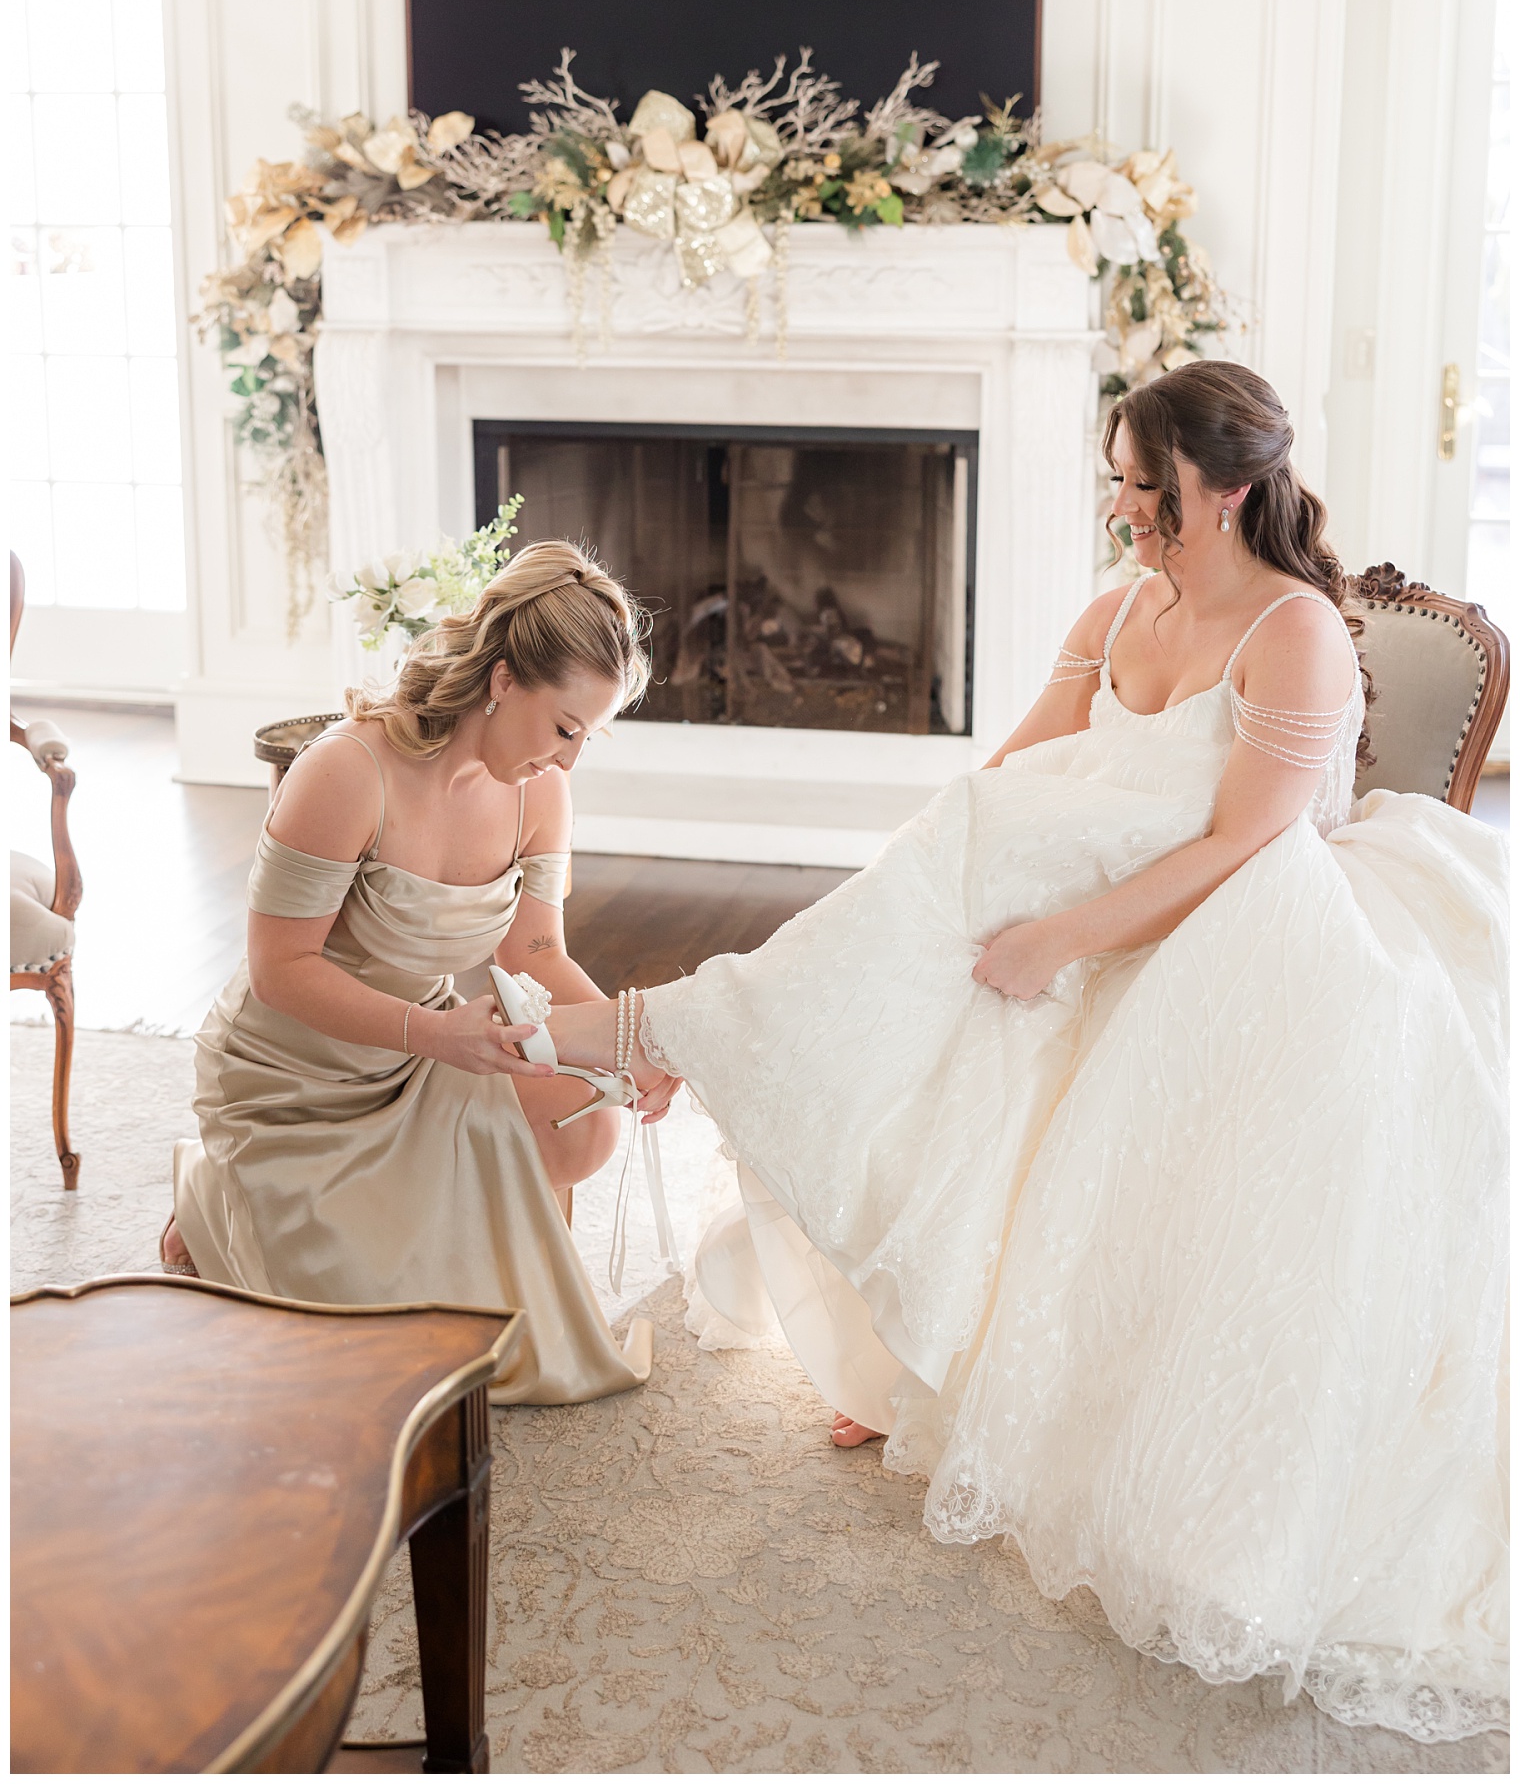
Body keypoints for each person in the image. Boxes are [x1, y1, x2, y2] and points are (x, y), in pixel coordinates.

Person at [525, 363, 1507, 1740]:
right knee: (943, 901)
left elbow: (1246, 842)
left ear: (1227, 490)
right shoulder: (1115, 614)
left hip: (1247, 924)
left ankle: (663, 1032)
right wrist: (922, 896)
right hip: (1085, 888)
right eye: (1116, 481)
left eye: (1145, 487)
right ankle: (739, 1103)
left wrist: (1059, 937)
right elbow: (1003, 778)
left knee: (982, 953)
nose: (1122, 511)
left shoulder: (1293, 634)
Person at [165, 539, 679, 1405]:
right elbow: (279, 967)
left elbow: (534, 952)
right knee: (368, 1367)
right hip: (295, 1069)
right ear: (504, 678)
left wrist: (637, 1041)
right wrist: (438, 1034)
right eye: (565, 729)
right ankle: (213, 1198)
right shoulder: (347, 770)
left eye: (588, 737)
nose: (569, 759)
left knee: (588, 1121)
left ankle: (454, 1227)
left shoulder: (540, 792)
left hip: (427, 1047)